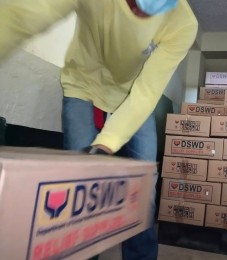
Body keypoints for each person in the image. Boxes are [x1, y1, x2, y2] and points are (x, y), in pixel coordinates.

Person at [0, 0, 198, 259]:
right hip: (83, 85)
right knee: (78, 186)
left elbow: (147, 92)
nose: (140, 13)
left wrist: (107, 142)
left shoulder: (183, 23)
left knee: (143, 184)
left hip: (134, 95)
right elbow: (24, 15)